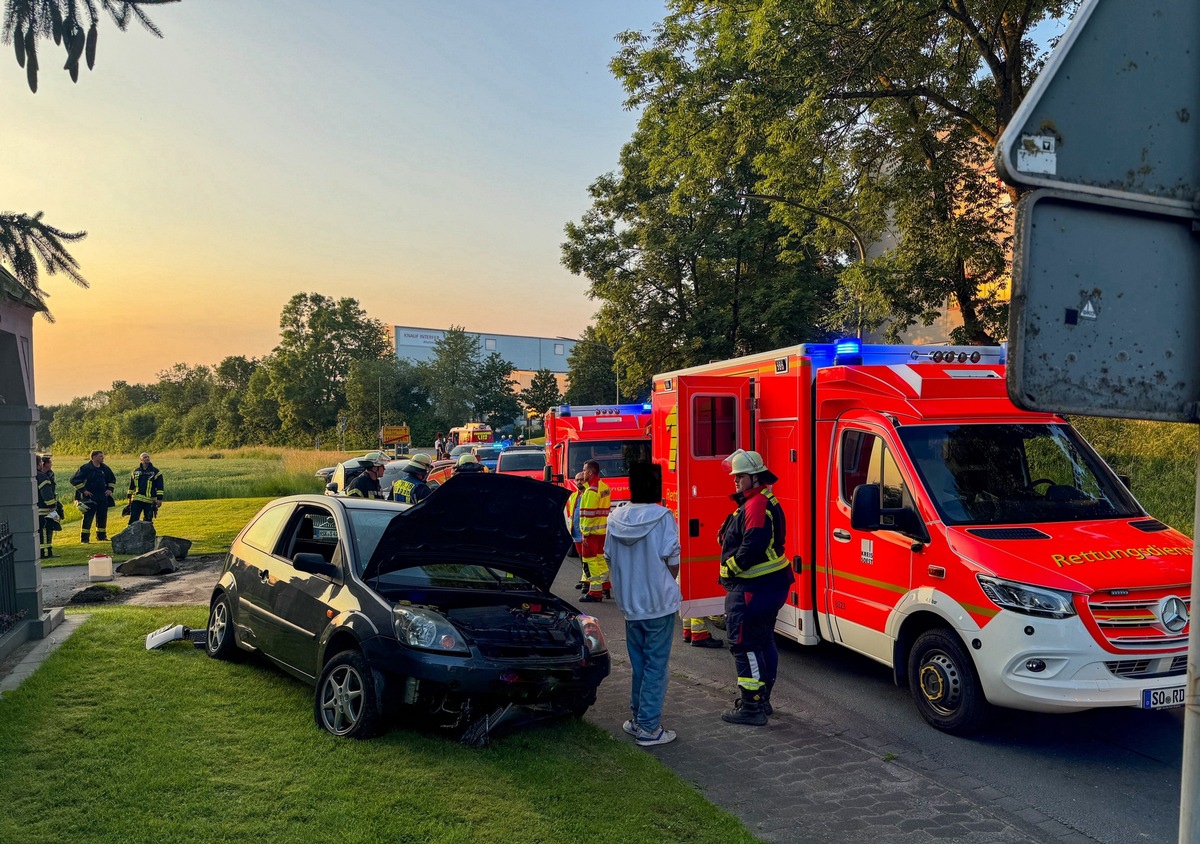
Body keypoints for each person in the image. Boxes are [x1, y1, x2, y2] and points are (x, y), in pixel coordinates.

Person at [604, 462, 681, 747]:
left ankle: (637, 719)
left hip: (630, 606)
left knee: (639, 664)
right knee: (656, 667)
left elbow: (609, 557)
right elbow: (672, 561)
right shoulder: (663, 517)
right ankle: (649, 728)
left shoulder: (616, 517)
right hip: (658, 605)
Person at [717, 449, 790, 726]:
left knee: (744, 644)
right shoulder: (760, 500)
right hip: (769, 585)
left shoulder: (757, 503)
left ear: (754, 477)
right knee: (762, 641)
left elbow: (755, 543)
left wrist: (729, 568)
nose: (735, 481)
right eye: (735, 476)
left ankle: (752, 706)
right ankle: (762, 698)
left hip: (752, 588)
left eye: (740, 477)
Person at [578, 459, 611, 603]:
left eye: (585, 470)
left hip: (591, 533)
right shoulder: (604, 487)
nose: (583, 472)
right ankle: (605, 585)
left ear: (590, 472)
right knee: (599, 559)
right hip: (602, 531)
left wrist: (585, 533)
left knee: (589, 561)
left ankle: (595, 592)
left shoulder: (591, 491)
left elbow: (589, 514)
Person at [71, 450, 117, 543]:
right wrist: (84, 491)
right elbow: (74, 480)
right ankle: (85, 539)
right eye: (100, 456)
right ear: (94, 457)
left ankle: (101, 537)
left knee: (102, 517)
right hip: (89, 498)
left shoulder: (105, 468)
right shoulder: (85, 468)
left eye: (102, 456)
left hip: (102, 497)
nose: (102, 458)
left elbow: (112, 480)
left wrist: (109, 489)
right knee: (88, 518)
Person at [127, 452, 165, 524]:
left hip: (149, 500)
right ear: (140, 459)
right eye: (145, 457)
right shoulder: (135, 472)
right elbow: (131, 486)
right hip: (137, 499)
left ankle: (147, 535)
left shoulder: (156, 472)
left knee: (148, 520)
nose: (147, 458)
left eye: (148, 457)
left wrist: (159, 499)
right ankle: (131, 534)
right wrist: (129, 497)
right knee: (133, 519)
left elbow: (160, 487)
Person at [564, 471, 587, 590]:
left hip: (586, 533)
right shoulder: (574, 495)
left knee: (588, 559)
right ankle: (585, 579)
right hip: (576, 532)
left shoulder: (588, 494)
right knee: (581, 557)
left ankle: (588, 582)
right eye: (577, 480)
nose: (579, 482)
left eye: (581, 479)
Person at [35, 453, 61, 559]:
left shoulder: (29, 475)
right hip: (44, 509)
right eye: (41, 462)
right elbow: (46, 493)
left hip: (35, 509)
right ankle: (46, 553)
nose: (42, 464)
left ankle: (41, 552)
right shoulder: (42, 476)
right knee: (45, 531)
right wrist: (52, 505)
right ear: (38, 463)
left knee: (38, 532)